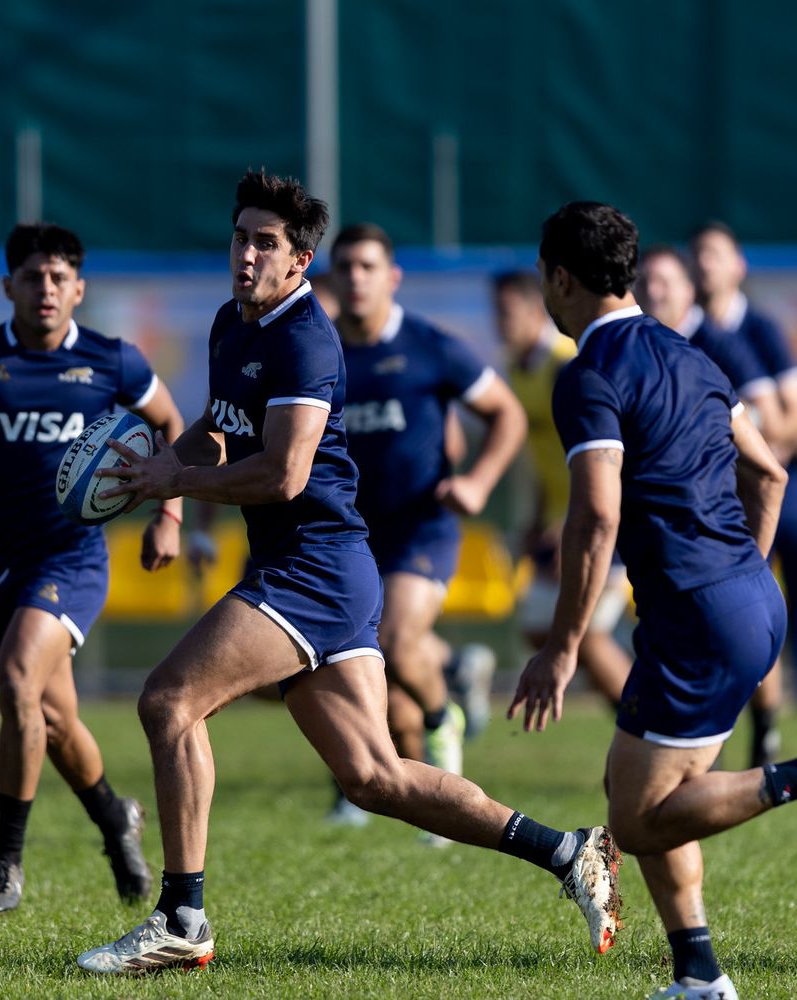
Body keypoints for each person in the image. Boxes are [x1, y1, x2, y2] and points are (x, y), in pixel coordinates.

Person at [76, 171, 618, 975]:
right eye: (240, 237)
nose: (248, 255)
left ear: (301, 262)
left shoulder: (305, 339)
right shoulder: (234, 325)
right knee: (374, 776)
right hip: (320, 569)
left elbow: (284, 474)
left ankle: (183, 918)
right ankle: (568, 851)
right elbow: (219, 431)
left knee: (169, 700)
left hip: (313, 570)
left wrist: (177, 484)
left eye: (268, 243)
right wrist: (159, 474)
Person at [512, 201, 797, 1000]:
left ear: (560, 279)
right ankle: (698, 973)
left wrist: (561, 649)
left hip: (700, 612)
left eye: (543, 281)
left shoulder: (588, 374)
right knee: (644, 794)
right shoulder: (692, 356)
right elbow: (770, 473)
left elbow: (596, 515)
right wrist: (744, 577)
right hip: (742, 601)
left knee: (634, 821)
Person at [0, 223, 176, 915]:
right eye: (32, 277)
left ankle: (5, 860)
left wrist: (167, 516)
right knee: (51, 718)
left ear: (79, 288)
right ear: (9, 287)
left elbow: (175, 428)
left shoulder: (114, 361)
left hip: (73, 558)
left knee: (19, 681)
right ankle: (115, 816)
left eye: (59, 277)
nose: (46, 289)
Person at [330, 223, 525, 799]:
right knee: (352, 653)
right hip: (352, 530)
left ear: (393, 277)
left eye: (369, 267)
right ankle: (456, 667)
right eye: (346, 267)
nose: (357, 278)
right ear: (332, 277)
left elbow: (506, 413)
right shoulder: (320, 350)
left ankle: (444, 722)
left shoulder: (430, 345)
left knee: (393, 637)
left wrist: (480, 481)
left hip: (424, 524)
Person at [690, 226, 797, 763]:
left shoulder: (757, 332)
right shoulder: (674, 336)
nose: (704, 265)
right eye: (696, 255)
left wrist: (749, 450)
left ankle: (791, 695)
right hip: (704, 494)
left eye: (713, 254)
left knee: (768, 590)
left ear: (738, 265)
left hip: (769, 482)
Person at [491, 270, 629, 708]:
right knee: (540, 629)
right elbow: (543, 454)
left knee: (581, 633)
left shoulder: (566, 365)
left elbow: (602, 456)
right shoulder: (518, 369)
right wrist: (537, 518)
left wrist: (570, 521)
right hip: (559, 520)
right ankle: (636, 718)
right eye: (496, 313)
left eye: (507, 313)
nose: (500, 323)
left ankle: (647, 724)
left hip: (598, 517)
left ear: (536, 311)